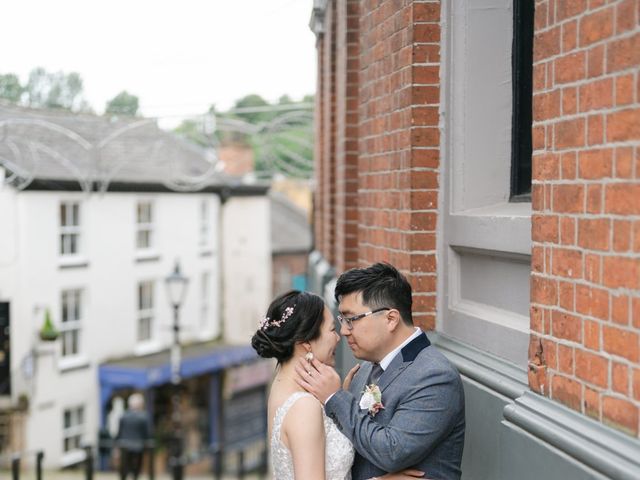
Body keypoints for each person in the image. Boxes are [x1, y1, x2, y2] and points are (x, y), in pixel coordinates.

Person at [296, 263, 465, 480]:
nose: (344, 331)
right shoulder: (364, 370)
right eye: (342, 320)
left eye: (351, 319)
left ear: (391, 319)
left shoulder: (435, 376)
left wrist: (335, 397)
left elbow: (392, 452)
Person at [251, 290, 424, 480]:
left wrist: (338, 400)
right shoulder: (304, 406)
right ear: (306, 343)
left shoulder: (281, 386)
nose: (338, 337)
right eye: (332, 330)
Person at [116, 393, 151, 480]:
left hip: (124, 446)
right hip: (138, 446)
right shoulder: (144, 416)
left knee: (125, 466)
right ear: (140, 404)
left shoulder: (124, 415)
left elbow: (119, 432)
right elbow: (146, 433)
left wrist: (117, 444)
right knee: (137, 467)